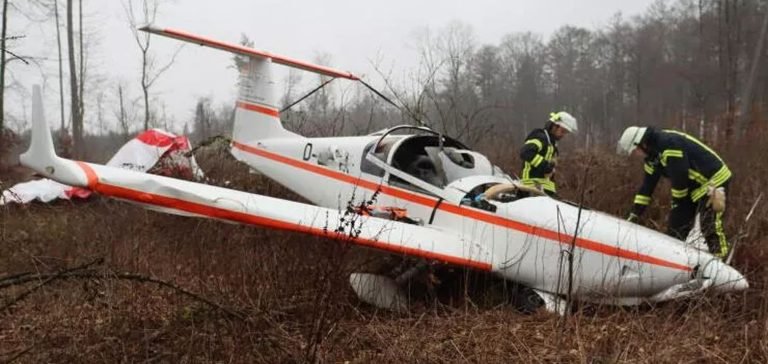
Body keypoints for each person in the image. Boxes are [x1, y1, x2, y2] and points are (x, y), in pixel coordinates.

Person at [617, 126, 732, 258]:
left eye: (634, 151)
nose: (635, 155)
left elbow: (680, 175)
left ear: (641, 144)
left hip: (713, 180)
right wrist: (634, 214)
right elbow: (646, 188)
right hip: (692, 186)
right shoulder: (651, 159)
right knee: (675, 229)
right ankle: (674, 261)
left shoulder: (668, 144)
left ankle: (720, 258)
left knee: (709, 223)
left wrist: (677, 203)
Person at [518, 111, 578, 196]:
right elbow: (526, 152)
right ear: (554, 126)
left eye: (565, 133)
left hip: (543, 189)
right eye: (562, 131)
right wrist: (545, 166)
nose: (563, 135)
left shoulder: (551, 143)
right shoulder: (540, 137)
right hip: (531, 188)